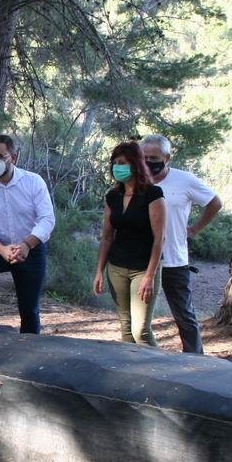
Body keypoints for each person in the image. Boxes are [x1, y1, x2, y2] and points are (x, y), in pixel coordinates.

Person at [0, 135, 56, 332]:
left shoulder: (33, 182)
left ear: (12, 158)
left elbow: (47, 219)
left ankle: (30, 350)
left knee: (29, 310)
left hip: (31, 250)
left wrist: (27, 245)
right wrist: (2, 249)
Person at [140, 134, 222, 353]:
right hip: (141, 260)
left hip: (173, 259)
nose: (149, 162)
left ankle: (195, 360)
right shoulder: (136, 180)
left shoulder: (185, 180)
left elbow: (215, 203)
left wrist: (194, 229)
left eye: (154, 157)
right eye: (144, 157)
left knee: (184, 316)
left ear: (167, 157)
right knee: (138, 321)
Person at [93, 141, 166, 346]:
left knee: (140, 330)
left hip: (143, 269)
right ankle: (131, 372)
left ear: (135, 164)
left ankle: (158, 372)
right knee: (125, 328)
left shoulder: (153, 195)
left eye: (123, 162)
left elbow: (159, 238)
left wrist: (150, 276)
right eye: (115, 162)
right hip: (116, 268)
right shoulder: (112, 196)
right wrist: (99, 271)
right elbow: (107, 236)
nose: (118, 166)